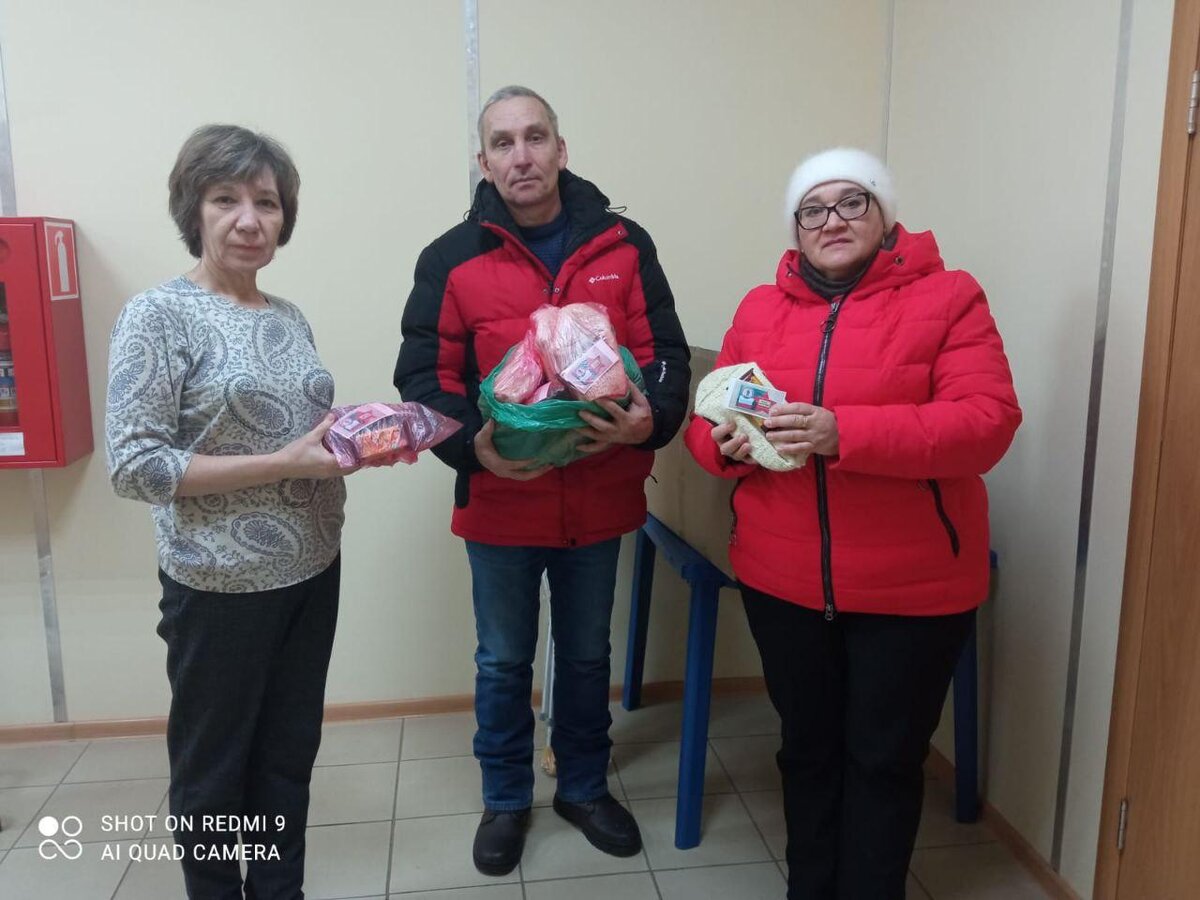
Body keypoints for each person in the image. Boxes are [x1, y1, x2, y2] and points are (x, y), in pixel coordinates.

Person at [685, 147, 1021, 899]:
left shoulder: (950, 298)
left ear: (884, 213)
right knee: (806, 752)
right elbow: (706, 429)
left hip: (913, 590)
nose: (831, 220)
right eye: (813, 208)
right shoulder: (758, 309)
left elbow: (986, 424)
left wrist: (846, 436)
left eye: (852, 202)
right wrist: (730, 447)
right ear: (795, 229)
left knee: (884, 761)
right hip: (783, 580)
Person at [394, 85, 690, 875]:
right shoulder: (450, 259)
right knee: (502, 661)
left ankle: (584, 789)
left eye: (535, 138)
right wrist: (472, 449)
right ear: (483, 160)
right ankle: (504, 798)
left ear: (561, 149)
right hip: (501, 503)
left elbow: (667, 355)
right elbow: (423, 376)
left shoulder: (626, 245)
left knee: (588, 656)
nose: (520, 156)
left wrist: (649, 420)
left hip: (601, 501)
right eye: (503, 142)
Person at [106, 124, 369, 899]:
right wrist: (282, 463)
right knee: (215, 773)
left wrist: (358, 438)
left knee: (289, 755)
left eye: (267, 201)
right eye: (227, 199)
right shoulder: (159, 316)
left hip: (313, 568)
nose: (249, 219)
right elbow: (135, 464)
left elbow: (298, 432)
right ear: (195, 208)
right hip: (219, 587)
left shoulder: (287, 314)